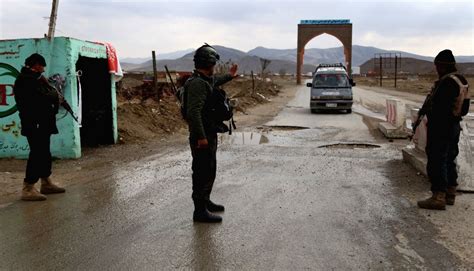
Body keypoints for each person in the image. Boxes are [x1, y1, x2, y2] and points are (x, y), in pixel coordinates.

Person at [185, 44, 238, 223]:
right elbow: (194, 112)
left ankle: (205, 202)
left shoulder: (204, 80)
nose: (215, 66)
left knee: (209, 170)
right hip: (202, 136)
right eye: (214, 62)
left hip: (208, 133)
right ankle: (199, 211)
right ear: (209, 62)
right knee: (201, 172)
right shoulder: (198, 84)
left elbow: (216, 81)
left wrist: (229, 76)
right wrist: (200, 137)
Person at [417, 49, 469, 210]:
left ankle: (438, 196)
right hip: (454, 126)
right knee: (449, 158)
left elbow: (439, 107)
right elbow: (465, 108)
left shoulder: (446, 82)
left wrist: (429, 117)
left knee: (436, 159)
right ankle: (450, 193)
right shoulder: (461, 80)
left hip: (441, 127)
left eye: (437, 66)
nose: (436, 69)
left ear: (442, 66)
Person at [13, 53, 66, 201]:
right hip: (34, 123)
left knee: (44, 152)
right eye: (42, 66)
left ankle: (46, 182)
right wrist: (54, 96)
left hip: (42, 123)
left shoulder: (35, 79)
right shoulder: (26, 80)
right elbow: (44, 97)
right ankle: (28, 187)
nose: (43, 70)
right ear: (36, 65)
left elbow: (48, 95)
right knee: (37, 153)